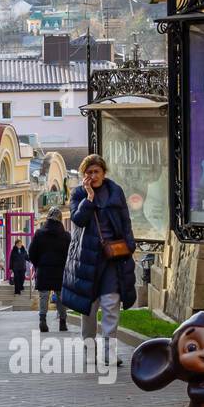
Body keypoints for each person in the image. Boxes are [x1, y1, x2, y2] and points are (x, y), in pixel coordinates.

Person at [61, 154, 137, 365]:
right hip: (87, 259)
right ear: (84, 176)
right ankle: (89, 348)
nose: (93, 176)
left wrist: (130, 245)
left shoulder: (115, 192)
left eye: (96, 172)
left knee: (111, 305)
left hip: (112, 258)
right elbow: (78, 219)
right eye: (89, 173)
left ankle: (109, 353)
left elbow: (125, 220)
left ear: (104, 173)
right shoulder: (78, 194)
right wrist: (89, 198)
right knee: (90, 309)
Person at [28, 207, 72, 332]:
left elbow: (31, 253)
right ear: (60, 219)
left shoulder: (39, 233)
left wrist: (38, 264)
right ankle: (62, 322)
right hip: (60, 270)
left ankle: (42, 319)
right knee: (60, 296)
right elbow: (70, 254)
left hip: (44, 269)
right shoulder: (65, 236)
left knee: (43, 296)